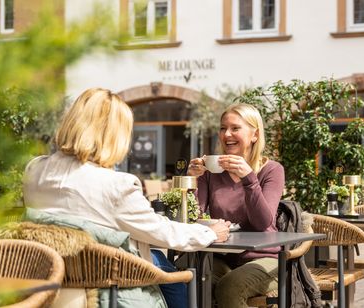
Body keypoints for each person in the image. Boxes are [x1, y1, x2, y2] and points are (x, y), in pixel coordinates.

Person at [22, 88, 230, 308]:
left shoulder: (35, 171)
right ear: (115, 135)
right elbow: (160, 232)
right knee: (173, 276)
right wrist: (209, 232)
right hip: (108, 288)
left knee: (161, 262)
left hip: (52, 283)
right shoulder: (116, 185)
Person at [188, 103, 285, 308]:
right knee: (186, 276)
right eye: (223, 128)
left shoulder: (271, 170)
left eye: (235, 128)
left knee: (229, 287)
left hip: (263, 258)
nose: (227, 134)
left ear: (254, 135)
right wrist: (191, 182)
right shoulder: (211, 172)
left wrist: (249, 177)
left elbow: (262, 222)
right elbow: (194, 216)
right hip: (221, 256)